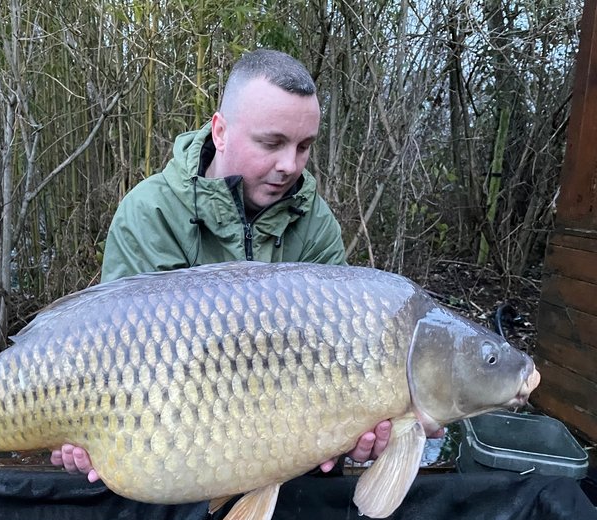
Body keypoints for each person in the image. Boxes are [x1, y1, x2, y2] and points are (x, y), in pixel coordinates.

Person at [51, 49, 436, 482]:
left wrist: (357, 429)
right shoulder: (150, 212)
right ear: (220, 131)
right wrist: (84, 427)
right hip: (169, 446)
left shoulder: (315, 223)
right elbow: (116, 356)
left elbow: (337, 360)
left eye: (304, 146)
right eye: (272, 144)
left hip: (278, 455)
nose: (289, 165)